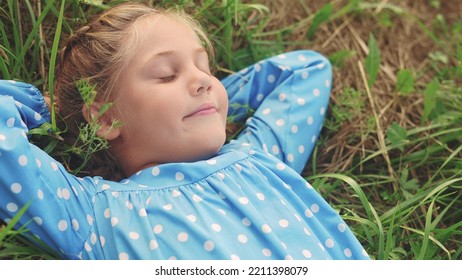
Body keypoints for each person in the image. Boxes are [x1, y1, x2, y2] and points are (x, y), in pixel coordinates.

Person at [0, 2, 370, 260]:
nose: (204, 81)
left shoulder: (258, 157)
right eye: (167, 74)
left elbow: (305, 70)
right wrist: (51, 105)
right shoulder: (96, 214)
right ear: (107, 119)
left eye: (206, 68)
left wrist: (209, 106)